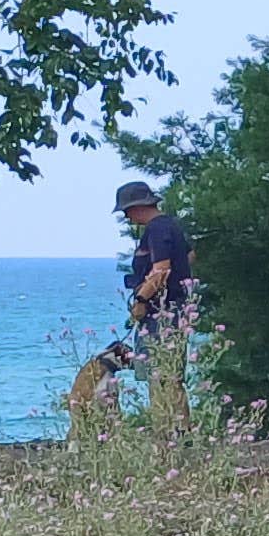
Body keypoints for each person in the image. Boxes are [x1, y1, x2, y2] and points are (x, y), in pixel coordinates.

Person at [114, 176, 198, 435]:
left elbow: (161, 269)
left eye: (128, 212)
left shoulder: (157, 229)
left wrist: (141, 301)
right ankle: (181, 433)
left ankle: (165, 433)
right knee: (172, 376)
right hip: (176, 309)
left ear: (138, 207)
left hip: (161, 314)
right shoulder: (172, 226)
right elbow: (190, 255)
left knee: (159, 376)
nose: (128, 219)